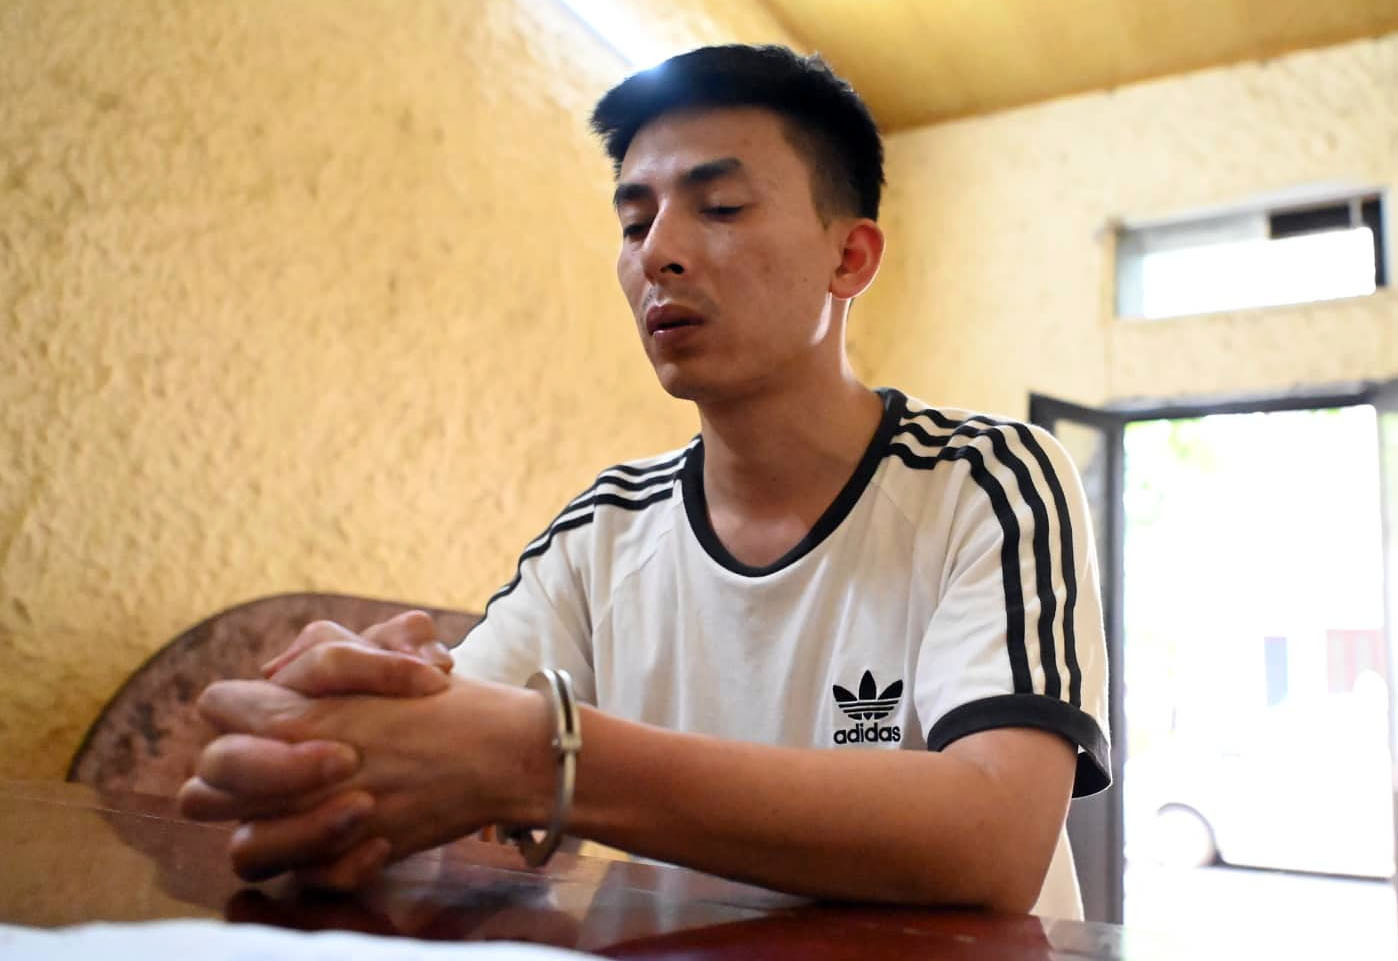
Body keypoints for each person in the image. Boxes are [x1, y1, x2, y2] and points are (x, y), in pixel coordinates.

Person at [178, 44, 1109, 919]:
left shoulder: (988, 482)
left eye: (721, 207)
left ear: (849, 257)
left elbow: (994, 836)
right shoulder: (604, 531)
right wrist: (340, 740)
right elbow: (450, 752)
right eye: (634, 221)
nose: (659, 252)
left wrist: (546, 758)